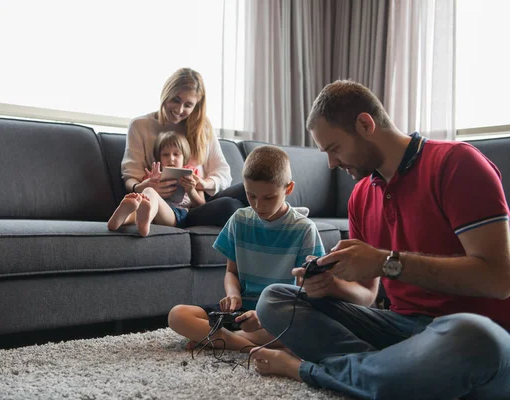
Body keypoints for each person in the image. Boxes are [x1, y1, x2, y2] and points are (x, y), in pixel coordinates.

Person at [250, 80, 510, 399]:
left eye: (334, 149)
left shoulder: (457, 163)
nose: (331, 163)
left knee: (473, 337)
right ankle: (396, 374)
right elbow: (366, 297)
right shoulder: (360, 195)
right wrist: (331, 286)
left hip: (471, 335)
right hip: (399, 330)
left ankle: (310, 370)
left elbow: (498, 280)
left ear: (365, 124)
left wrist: (386, 263)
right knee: (275, 300)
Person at [168, 145, 325, 352]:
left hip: (277, 316)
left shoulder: (304, 229)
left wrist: (263, 316)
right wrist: (233, 294)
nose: (259, 206)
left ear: (288, 188)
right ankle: (246, 346)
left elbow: (303, 293)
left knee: (307, 328)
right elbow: (231, 272)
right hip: (241, 313)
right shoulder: (239, 220)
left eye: (269, 197)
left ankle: (218, 339)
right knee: (177, 315)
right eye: (251, 196)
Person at [121, 67, 246, 228]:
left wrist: (201, 183)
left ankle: (277, 241)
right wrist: (143, 187)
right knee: (232, 207)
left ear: (196, 106)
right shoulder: (140, 126)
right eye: (175, 100)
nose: (179, 110)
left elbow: (223, 174)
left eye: (188, 105)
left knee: (250, 189)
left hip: (201, 199)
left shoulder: (203, 126)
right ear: (166, 94)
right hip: (177, 207)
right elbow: (130, 176)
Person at [108, 131, 205, 236]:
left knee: (148, 197)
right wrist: (151, 181)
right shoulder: (154, 174)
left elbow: (202, 206)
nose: (171, 158)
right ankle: (123, 218)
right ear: (159, 157)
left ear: (184, 157)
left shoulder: (192, 175)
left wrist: (191, 191)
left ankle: (144, 219)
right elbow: (143, 189)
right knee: (148, 192)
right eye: (165, 154)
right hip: (152, 210)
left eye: (176, 154)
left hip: (176, 215)